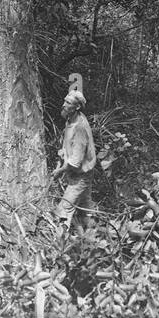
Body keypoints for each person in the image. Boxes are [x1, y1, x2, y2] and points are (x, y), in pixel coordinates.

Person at [51, 89, 97, 233]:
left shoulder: (80, 128)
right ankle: (91, 237)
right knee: (85, 207)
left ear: (77, 107)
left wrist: (59, 171)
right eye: (65, 101)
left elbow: (75, 162)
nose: (63, 105)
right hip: (83, 171)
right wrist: (63, 153)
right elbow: (69, 145)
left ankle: (59, 244)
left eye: (68, 103)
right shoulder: (73, 118)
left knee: (63, 209)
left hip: (80, 175)